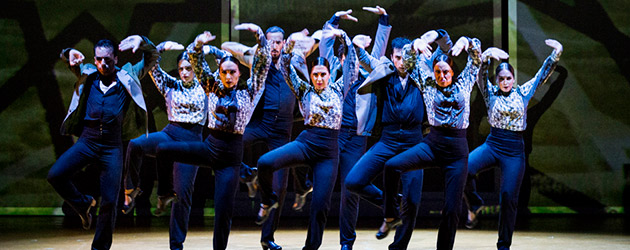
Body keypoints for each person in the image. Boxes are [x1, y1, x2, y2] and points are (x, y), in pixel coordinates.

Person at [154, 25, 270, 250]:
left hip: (230, 159)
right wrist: (198, 45)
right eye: (224, 72)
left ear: (239, 73)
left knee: (223, 211)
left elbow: (262, 65)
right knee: (162, 149)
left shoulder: (250, 91)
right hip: (210, 148)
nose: (227, 76)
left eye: (232, 72)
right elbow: (197, 63)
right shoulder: (211, 86)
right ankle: (165, 192)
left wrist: (259, 35)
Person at [47, 35, 158, 250]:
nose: (102, 64)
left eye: (107, 59)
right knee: (55, 175)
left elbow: (152, 57)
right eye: (98, 59)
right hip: (87, 141)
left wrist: (142, 41)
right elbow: (65, 57)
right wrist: (68, 52)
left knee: (109, 201)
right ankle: (82, 204)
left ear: (116, 58)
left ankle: (100, 247)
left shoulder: (128, 74)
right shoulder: (87, 73)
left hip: (112, 146)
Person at [347, 30, 452, 250]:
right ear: (391, 57)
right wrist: (357, 45)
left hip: (415, 140)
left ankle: (398, 247)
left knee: (412, 203)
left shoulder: (422, 70)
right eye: (397, 57)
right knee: (354, 181)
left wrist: (437, 36)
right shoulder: (384, 70)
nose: (401, 62)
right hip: (388, 139)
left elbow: (445, 50)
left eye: (405, 57)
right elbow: (365, 60)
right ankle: (392, 207)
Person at [255, 26, 358, 250]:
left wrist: (345, 38)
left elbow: (351, 66)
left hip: (328, 153)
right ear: (310, 76)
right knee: (264, 162)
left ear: (330, 75)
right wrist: (289, 48)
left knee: (320, 206)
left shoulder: (340, 88)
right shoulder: (304, 90)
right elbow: (284, 67)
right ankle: (267, 199)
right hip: (306, 142)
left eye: (323, 74)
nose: (319, 78)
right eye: (315, 75)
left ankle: (310, 247)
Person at [381, 33, 483, 250]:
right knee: (391, 166)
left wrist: (467, 41)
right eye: (438, 71)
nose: (442, 75)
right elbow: (408, 62)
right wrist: (414, 45)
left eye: (446, 71)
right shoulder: (428, 83)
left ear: (453, 71)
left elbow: (476, 59)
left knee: (452, 210)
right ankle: (390, 214)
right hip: (433, 144)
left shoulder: (464, 83)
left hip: (457, 151)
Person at [221, 25, 318, 250]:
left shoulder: (292, 61)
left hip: (282, 131)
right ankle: (248, 175)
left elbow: (312, 43)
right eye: (270, 42)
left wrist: (302, 38)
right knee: (234, 140)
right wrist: (254, 48)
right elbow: (227, 45)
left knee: (279, 187)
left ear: (283, 43)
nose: (274, 46)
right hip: (261, 124)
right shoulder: (259, 60)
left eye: (278, 42)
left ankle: (267, 238)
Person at [463, 40, 562, 250]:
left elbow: (541, 76)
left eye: (509, 78)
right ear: (497, 80)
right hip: (493, 144)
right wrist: (488, 56)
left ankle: (503, 245)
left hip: (514, 151)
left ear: (513, 79)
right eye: (501, 79)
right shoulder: (490, 92)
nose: (505, 82)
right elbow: (481, 73)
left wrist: (556, 54)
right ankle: (475, 203)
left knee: (508, 196)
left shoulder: (522, 93)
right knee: (464, 168)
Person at [319, 7, 392, 250]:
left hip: (356, 137)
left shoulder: (369, 74)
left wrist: (383, 20)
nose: (348, 60)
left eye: (352, 56)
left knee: (350, 190)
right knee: (323, 187)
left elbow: (379, 48)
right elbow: (325, 46)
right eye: (344, 57)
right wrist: (334, 20)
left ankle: (346, 243)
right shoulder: (334, 72)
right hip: (333, 134)